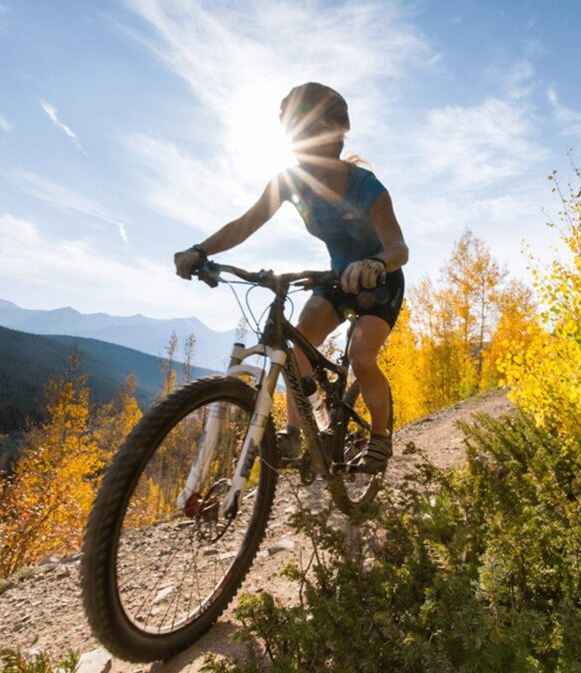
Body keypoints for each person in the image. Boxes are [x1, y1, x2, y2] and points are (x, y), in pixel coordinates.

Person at [173, 82, 409, 474]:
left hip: (381, 280)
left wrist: (376, 264)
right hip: (335, 278)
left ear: (335, 135)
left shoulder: (366, 187)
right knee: (296, 346)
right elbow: (245, 224)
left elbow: (398, 248)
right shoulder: (289, 182)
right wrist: (201, 251)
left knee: (362, 357)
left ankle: (380, 438)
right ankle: (297, 430)